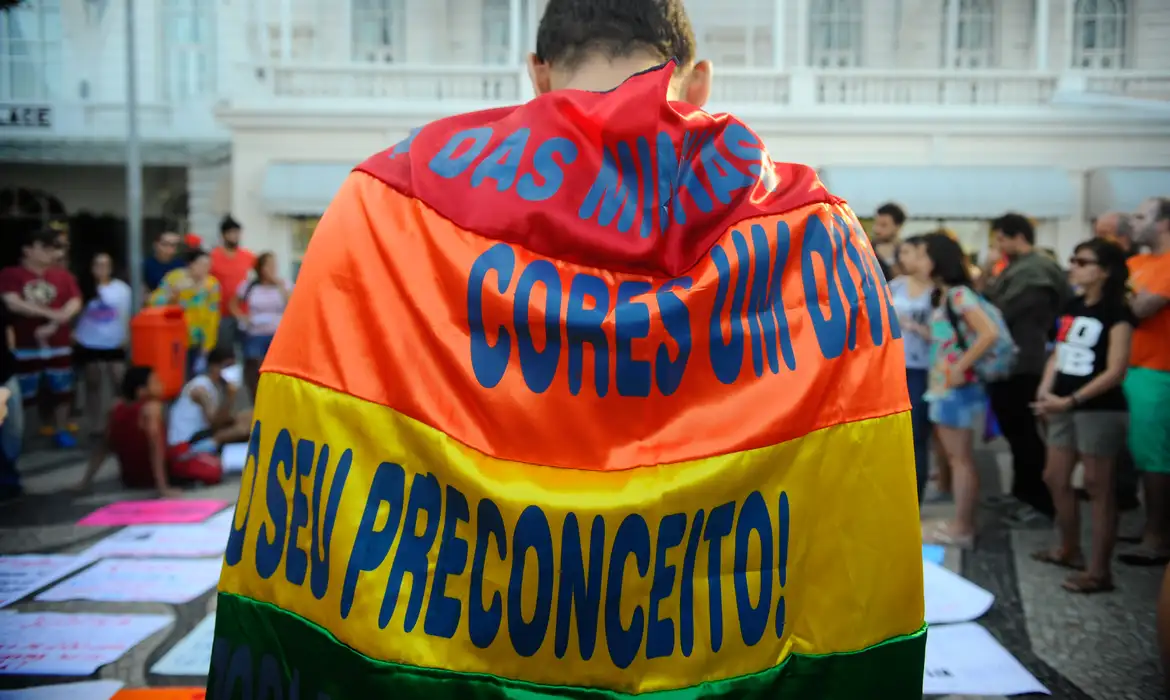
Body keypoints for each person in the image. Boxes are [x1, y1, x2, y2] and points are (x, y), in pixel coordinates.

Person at [206, 0, 926, 696]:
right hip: (711, 642)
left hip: (461, 634)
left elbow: (324, 436)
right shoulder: (814, 232)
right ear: (697, 80)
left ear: (537, 73)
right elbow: (849, 496)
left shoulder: (386, 201)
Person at [1032, 239, 1133, 593]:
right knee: (1055, 477)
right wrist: (1046, 389)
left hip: (1099, 409)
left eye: (1083, 261)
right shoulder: (1072, 305)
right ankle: (1068, 548)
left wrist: (1072, 400)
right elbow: (1058, 352)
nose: (1073, 265)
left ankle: (1099, 570)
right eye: (1073, 259)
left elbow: (1117, 369)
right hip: (1062, 403)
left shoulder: (1117, 312)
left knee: (1098, 486)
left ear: (1104, 270)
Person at [984, 213, 1069, 525]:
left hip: (1024, 362)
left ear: (1018, 236)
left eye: (1002, 239)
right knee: (1017, 432)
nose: (998, 246)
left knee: (1024, 434)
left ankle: (1038, 501)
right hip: (1014, 361)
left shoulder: (1036, 271)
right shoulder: (1022, 268)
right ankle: (1023, 493)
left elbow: (1004, 311)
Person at [921, 232, 1002, 548]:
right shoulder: (945, 295)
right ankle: (960, 522)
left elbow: (988, 333)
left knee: (960, 459)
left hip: (957, 388)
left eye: (925, 255)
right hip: (945, 387)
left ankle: (963, 526)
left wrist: (959, 367)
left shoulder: (957, 295)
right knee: (957, 457)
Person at [1118, 196, 1170, 567]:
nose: (1132, 222)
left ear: (1164, 222)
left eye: (1141, 216)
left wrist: (1123, 301)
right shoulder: (1135, 262)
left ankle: (1157, 535)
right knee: (1137, 453)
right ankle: (1149, 524)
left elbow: (1138, 309)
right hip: (1129, 367)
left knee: (1156, 457)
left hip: (1158, 372)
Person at [0, 229, 82, 448]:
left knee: (62, 389)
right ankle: (23, 435)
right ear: (27, 250)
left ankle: (61, 429)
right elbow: (12, 302)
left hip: (58, 343)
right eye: (43, 247)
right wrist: (51, 314)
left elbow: (74, 302)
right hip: (24, 344)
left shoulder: (63, 276)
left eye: (52, 247)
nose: (50, 252)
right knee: (25, 392)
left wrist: (55, 322)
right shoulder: (11, 274)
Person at [74, 366, 180, 497]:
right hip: (153, 477)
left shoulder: (116, 408)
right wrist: (162, 487)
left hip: (130, 479)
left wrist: (85, 481)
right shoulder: (152, 409)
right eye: (155, 382)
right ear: (141, 391)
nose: (161, 385)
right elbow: (155, 448)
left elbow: (104, 446)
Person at [889, 236, 933, 501]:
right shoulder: (895, 287)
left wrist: (915, 327)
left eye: (909, 252)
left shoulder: (937, 291)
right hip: (895, 365)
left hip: (924, 367)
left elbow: (944, 334)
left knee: (917, 434)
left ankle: (916, 496)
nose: (903, 258)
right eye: (901, 252)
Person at [73, 252, 132, 437]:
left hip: (115, 340)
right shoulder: (82, 287)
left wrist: (127, 336)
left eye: (106, 264)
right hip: (89, 341)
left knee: (119, 380)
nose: (102, 268)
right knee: (93, 383)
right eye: (98, 264)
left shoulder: (121, 288)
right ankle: (96, 424)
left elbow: (127, 312)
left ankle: (119, 420)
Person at [167, 346, 251, 455]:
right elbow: (214, 422)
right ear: (213, 366)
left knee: (249, 417)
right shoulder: (200, 387)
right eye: (226, 366)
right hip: (186, 442)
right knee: (243, 428)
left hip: (200, 434)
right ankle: (214, 442)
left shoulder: (216, 387)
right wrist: (230, 397)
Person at [150, 248, 221, 378]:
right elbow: (154, 302)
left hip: (198, 339)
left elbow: (213, 314)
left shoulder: (212, 284)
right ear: (191, 264)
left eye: (208, 265)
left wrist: (209, 344)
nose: (205, 269)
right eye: (202, 264)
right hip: (174, 336)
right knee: (172, 375)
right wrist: (174, 293)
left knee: (193, 376)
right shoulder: (174, 278)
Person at [230, 252, 291, 400]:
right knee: (255, 367)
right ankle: (255, 399)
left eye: (274, 265)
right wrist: (242, 317)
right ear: (260, 268)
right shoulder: (249, 285)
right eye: (268, 265)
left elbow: (292, 305)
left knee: (275, 370)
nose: (272, 269)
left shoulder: (283, 284)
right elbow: (233, 304)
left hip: (277, 333)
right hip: (255, 332)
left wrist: (279, 285)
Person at [210, 215, 256, 353]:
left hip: (244, 312)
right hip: (221, 313)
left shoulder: (248, 256)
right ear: (223, 235)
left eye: (237, 233)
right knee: (224, 352)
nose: (234, 236)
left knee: (246, 351)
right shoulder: (214, 256)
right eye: (230, 233)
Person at [0, 301, 21, 500]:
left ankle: (10, 476)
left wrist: (12, 352)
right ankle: (7, 479)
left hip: (5, 373)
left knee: (13, 430)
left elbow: (8, 326)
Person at [871, 202, 907, 279]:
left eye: (883, 225)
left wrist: (889, 259)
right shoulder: (865, 250)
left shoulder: (906, 251)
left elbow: (905, 284)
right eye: (876, 224)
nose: (877, 229)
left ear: (898, 226)